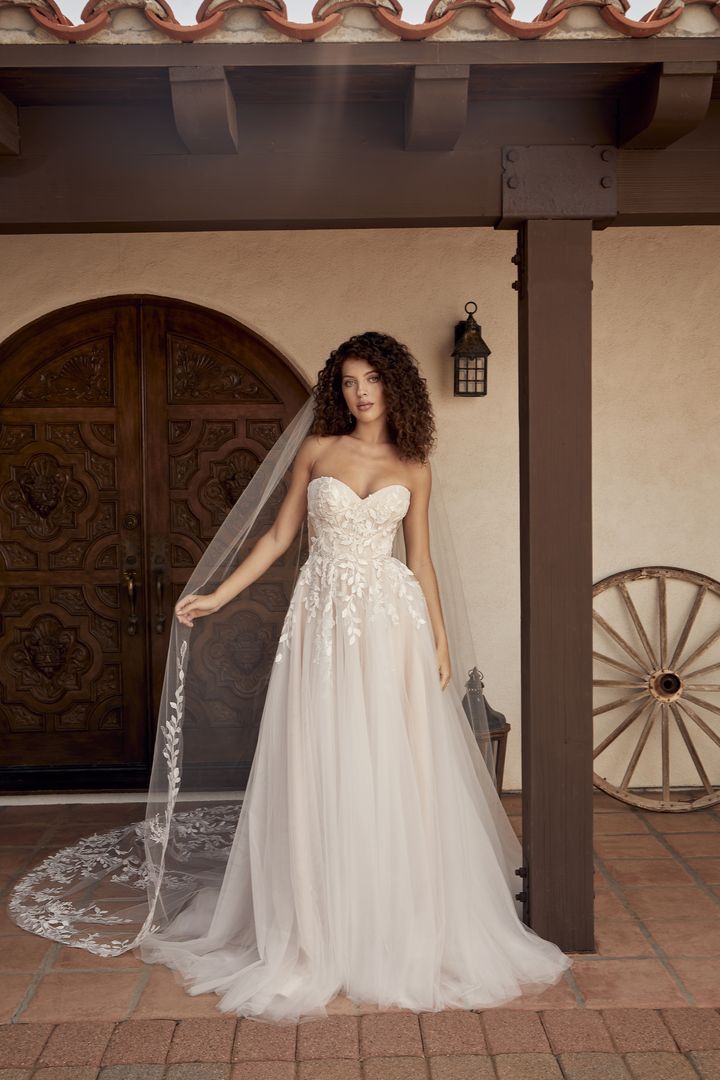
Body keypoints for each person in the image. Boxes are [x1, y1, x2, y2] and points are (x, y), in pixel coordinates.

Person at [8, 331, 571, 1024]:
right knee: (322, 754)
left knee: (392, 759)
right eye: (347, 382)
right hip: (323, 620)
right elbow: (278, 539)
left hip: (391, 622)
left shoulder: (416, 465)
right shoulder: (318, 450)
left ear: (396, 387)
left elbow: (418, 559)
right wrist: (216, 595)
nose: (359, 394)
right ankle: (319, 917)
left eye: (371, 381)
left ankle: (392, 913)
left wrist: (441, 638)